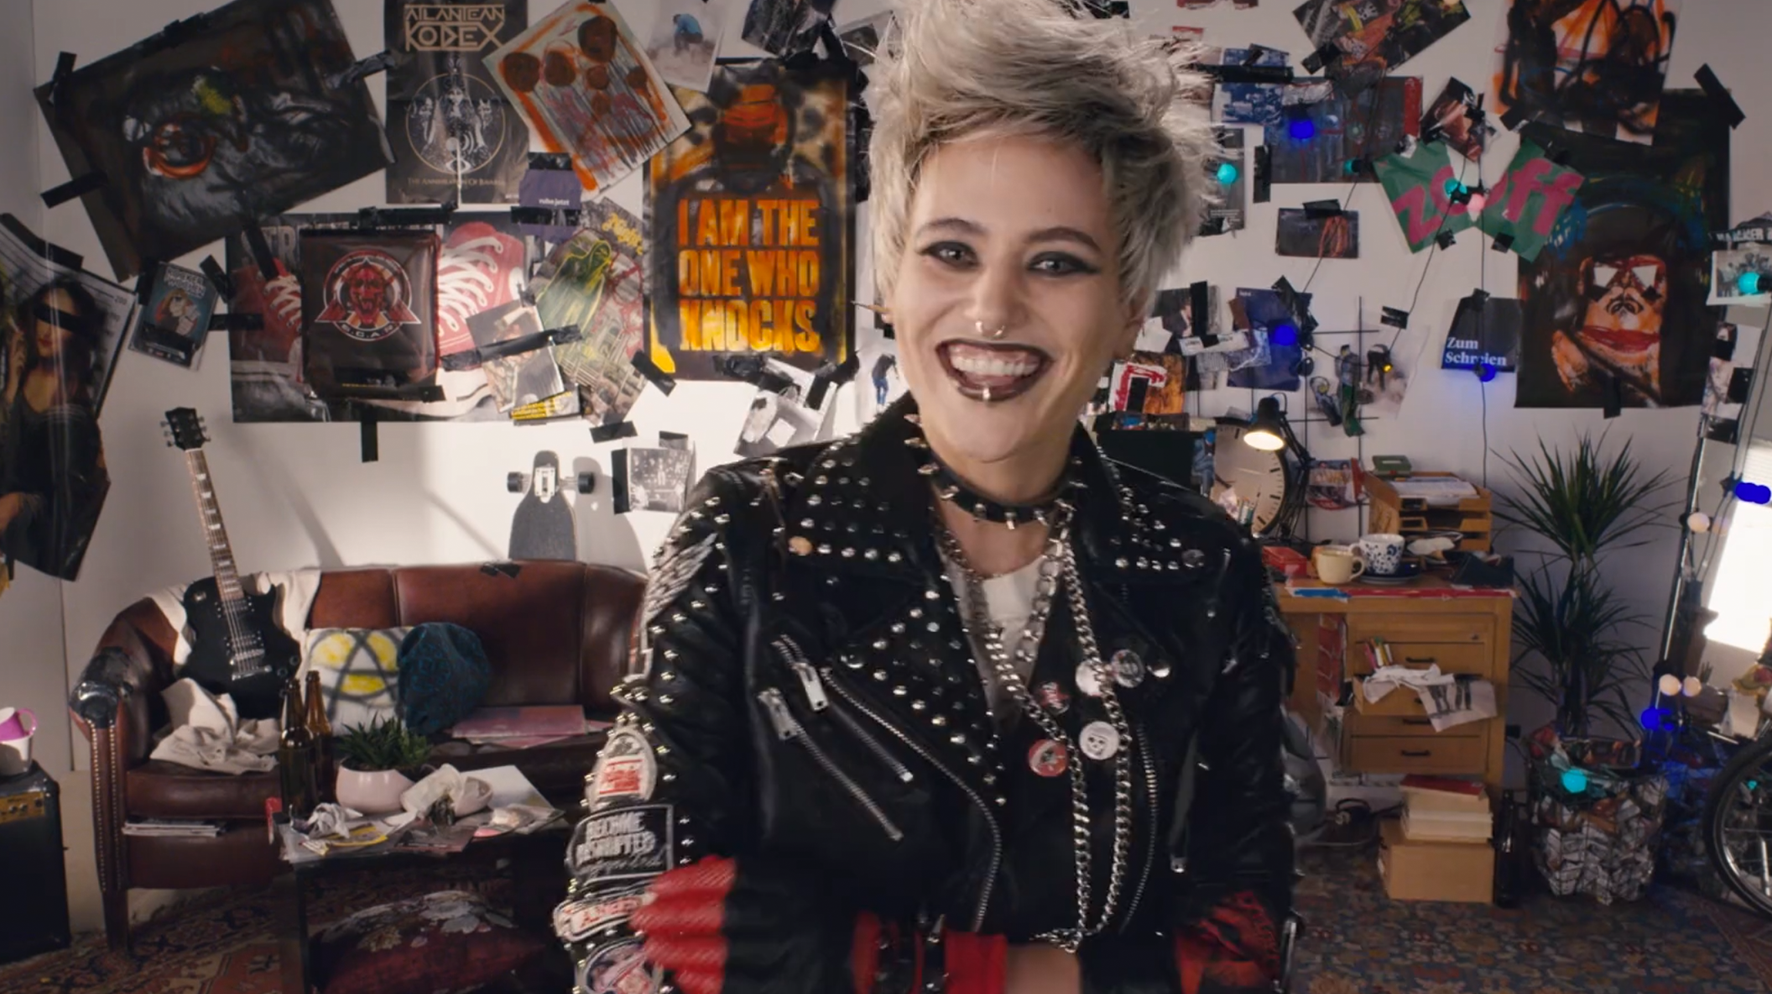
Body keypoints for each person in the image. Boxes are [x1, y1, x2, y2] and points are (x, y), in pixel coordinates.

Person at [558, 1, 1298, 992]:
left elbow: (1246, 950)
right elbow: (619, 930)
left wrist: (906, 969)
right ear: (892, 281)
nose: (991, 308)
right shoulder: (750, 534)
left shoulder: (1203, 566)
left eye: (1056, 262)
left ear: (1128, 310)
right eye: (951, 251)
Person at [0, 280, 111, 580]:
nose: (47, 331)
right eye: (44, 315)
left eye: (62, 322)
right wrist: (10, 390)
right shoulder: (20, 373)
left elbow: (69, 505)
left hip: (29, 553)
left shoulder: (75, 411)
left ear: (76, 333)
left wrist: (19, 504)